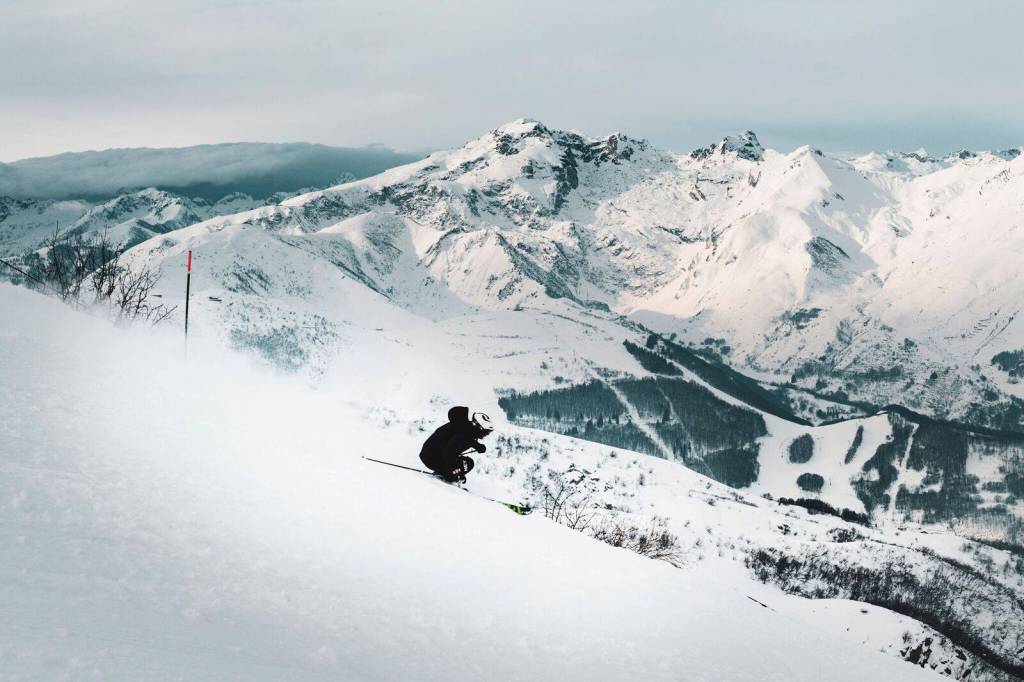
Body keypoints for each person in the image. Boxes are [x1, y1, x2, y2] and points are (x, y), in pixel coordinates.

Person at [420, 406, 493, 482]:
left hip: (429, 454)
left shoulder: (464, 427)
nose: (486, 435)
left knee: (460, 461)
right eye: (486, 432)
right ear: (479, 428)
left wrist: (477, 446)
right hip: (432, 458)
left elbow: (466, 440)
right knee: (469, 463)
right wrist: (453, 474)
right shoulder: (464, 433)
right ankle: (446, 473)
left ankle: (447, 472)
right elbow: (449, 453)